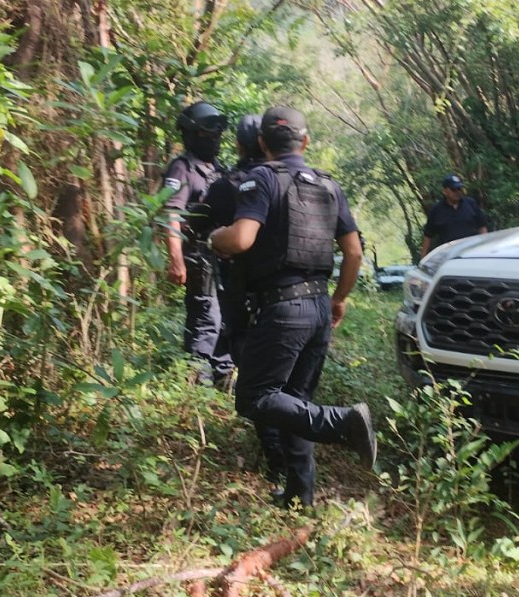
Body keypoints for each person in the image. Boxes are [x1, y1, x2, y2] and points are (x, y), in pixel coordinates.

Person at [208, 106, 376, 507]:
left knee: (254, 397)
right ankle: (300, 495)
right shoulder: (329, 186)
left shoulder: (261, 179)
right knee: (294, 400)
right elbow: (353, 254)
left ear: (263, 143)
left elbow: (242, 239)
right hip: (318, 305)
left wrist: (216, 237)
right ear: (306, 141)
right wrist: (339, 299)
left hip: (283, 309)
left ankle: (343, 422)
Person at [203, 114, 286, 496]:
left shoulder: (223, 189)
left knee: (254, 383)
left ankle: (277, 465)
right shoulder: (291, 183)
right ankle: (292, 460)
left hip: (242, 299)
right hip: (291, 300)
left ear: (239, 145)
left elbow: (208, 231)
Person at [161, 101, 235, 388]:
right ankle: (197, 386)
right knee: (206, 320)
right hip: (199, 258)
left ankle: (223, 380)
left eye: (218, 133)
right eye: (208, 133)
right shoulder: (181, 169)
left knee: (226, 320)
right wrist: (175, 259)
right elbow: (171, 214)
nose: (215, 138)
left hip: (223, 258)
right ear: (192, 135)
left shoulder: (218, 168)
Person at [420, 173, 489, 257]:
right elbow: (428, 235)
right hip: (448, 256)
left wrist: (484, 247)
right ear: (444, 191)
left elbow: (482, 226)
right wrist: (423, 257)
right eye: (453, 189)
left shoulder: (471, 204)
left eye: (459, 188)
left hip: (471, 253)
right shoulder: (437, 210)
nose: (457, 192)